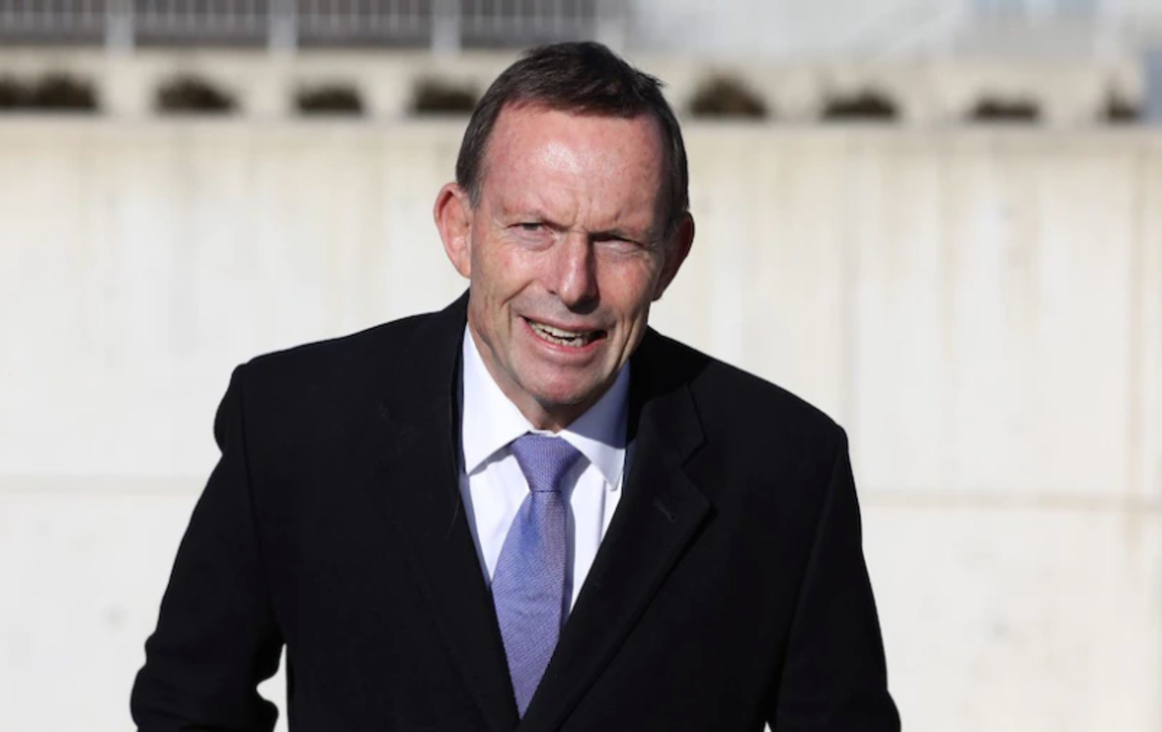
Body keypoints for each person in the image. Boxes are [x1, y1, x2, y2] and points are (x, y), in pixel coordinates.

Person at [131, 42, 899, 732]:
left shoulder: (785, 472)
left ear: (673, 253)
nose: (572, 284)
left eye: (619, 240)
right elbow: (187, 707)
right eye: (534, 227)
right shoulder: (294, 427)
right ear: (459, 228)